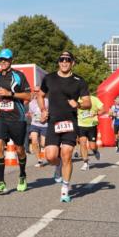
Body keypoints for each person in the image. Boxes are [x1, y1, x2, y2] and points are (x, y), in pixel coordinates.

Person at [37, 50, 90, 203]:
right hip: (53, 121)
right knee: (51, 156)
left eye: (68, 59)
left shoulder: (79, 81)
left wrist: (78, 104)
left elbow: (88, 102)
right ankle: (58, 166)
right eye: (61, 59)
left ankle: (65, 189)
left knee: (66, 153)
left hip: (70, 123)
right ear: (58, 62)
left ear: (72, 62)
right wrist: (43, 110)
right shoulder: (49, 78)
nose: (64, 62)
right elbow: (40, 95)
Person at [0, 49, 31, 194]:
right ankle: (1, 182)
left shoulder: (19, 75)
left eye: (6, 60)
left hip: (17, 118)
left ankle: (22, 175)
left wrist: (10, 94)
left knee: (20, 150)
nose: (3, 62)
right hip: (2, 117)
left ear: (11, 61)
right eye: (1, 59)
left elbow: (29, 95)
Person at [76, 92, 104, 171]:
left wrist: (96, 113)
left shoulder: (94, 99)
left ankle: (95, 151)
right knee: (83, 142)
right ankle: (85, 162)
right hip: (81, 125)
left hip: (92, 125)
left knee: (92, 146)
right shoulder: (78, 100)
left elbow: (103, 110)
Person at [27, 88, 47, 166]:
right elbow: (31, 113)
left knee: (43, 144)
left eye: (37, 91)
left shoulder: (46, 101)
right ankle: (39, 160)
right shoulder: (31, 103)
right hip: (34, 124)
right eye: (34, 91)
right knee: (34, 142)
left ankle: (45, 149)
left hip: (45, 125)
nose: (36, 92)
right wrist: (33, 117)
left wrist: (44, 118)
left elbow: (50, 112)